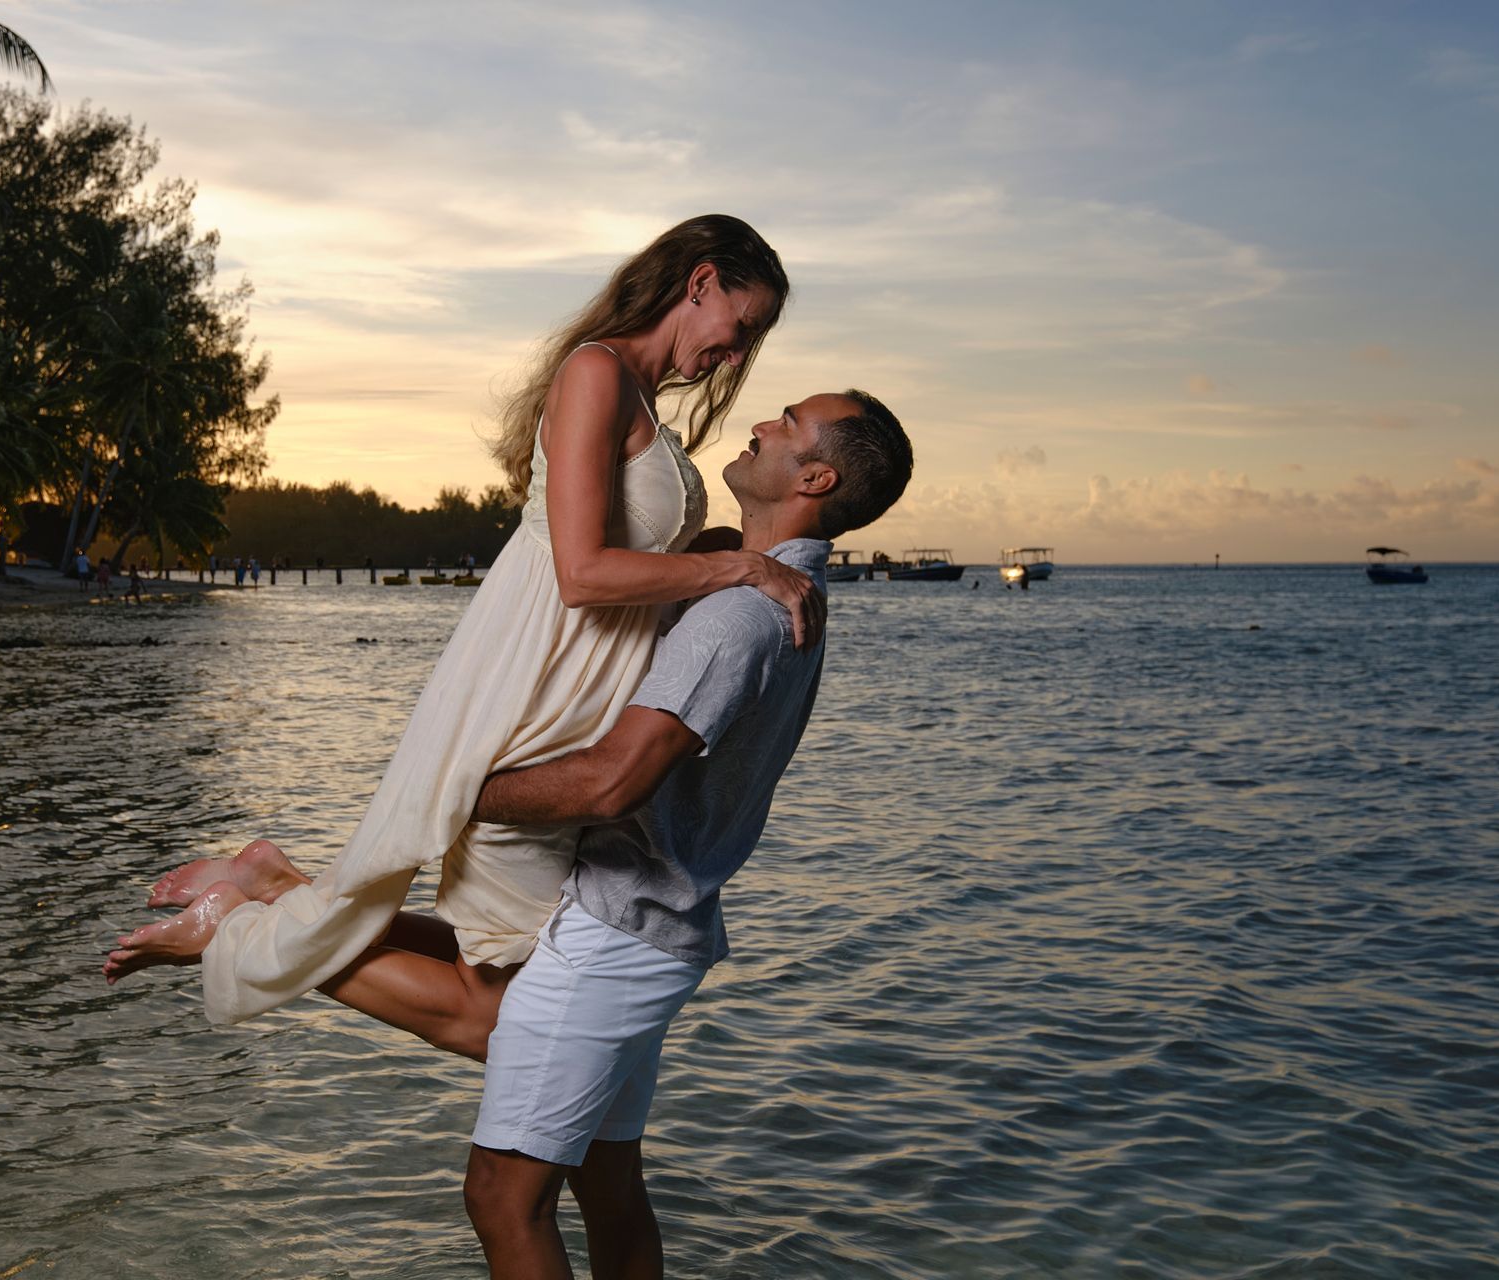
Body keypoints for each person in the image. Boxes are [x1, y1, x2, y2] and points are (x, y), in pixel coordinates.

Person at [113, 390, 913, 1278]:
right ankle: (273, 894)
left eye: (788, 423)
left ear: (815, 476)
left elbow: (612, 782)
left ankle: (256, 910)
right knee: (607, 1183)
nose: (761, 421)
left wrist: (460, 792)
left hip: (619, 926)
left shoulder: (737, 615)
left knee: (501, 1190)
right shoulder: (776, 587)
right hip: (653, 916)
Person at [105, 215, 812, 1043]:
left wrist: (748, 551)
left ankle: (270, 889)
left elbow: (642, 550)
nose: (736, 355)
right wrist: (742, 568)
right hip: (535, 693)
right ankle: (243, 923)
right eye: (742, 327)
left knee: (516, 980)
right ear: (701, 283)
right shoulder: (596, 373)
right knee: (509, 1011)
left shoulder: (641, 399)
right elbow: (583, 575)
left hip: (580, 697)